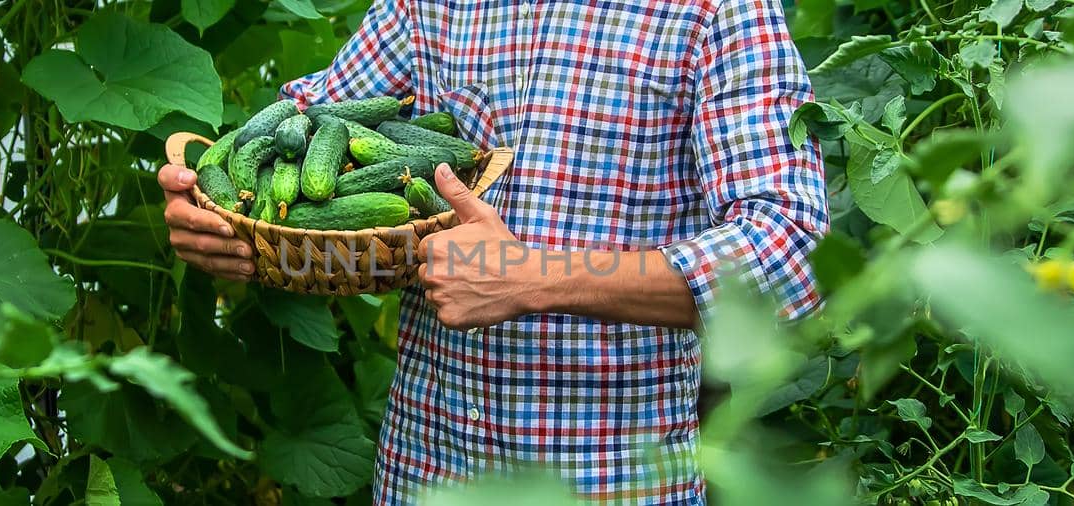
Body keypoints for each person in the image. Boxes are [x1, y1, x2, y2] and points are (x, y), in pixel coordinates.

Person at [157, 0, 827, 503]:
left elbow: (791, 252)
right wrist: (216, 210)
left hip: (609, 482)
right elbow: (307, 127)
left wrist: (536, 278)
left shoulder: (715, 11)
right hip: (427, 473)